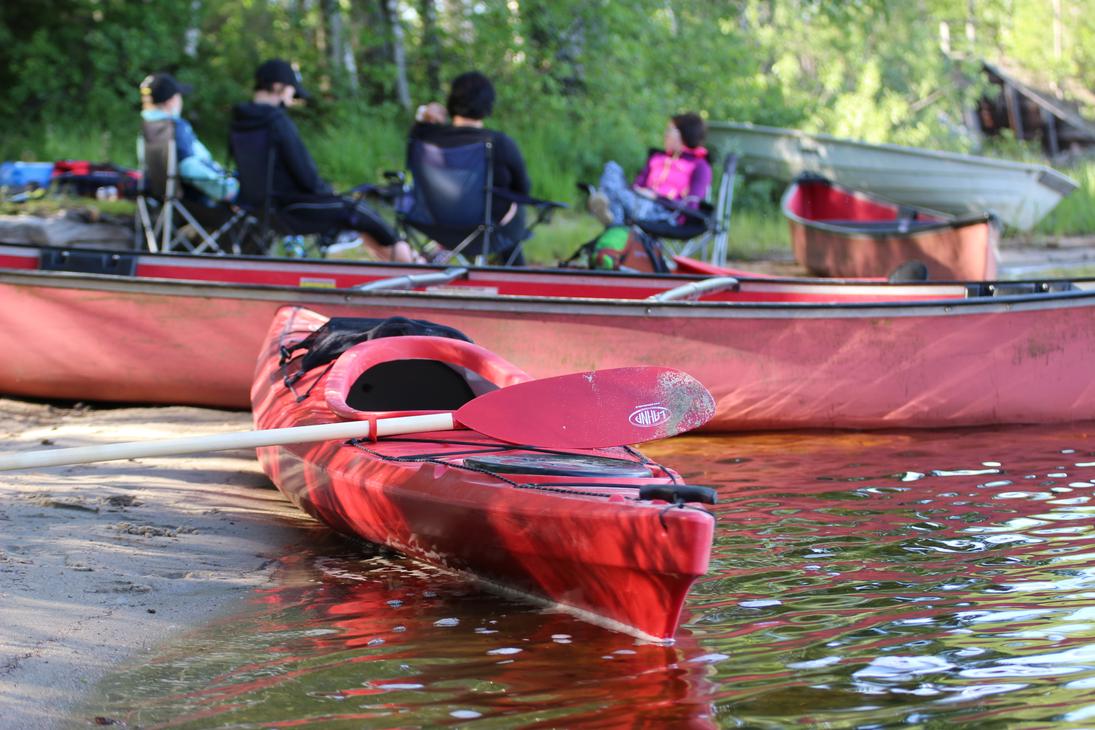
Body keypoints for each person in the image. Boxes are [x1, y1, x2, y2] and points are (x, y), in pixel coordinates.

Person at [229, 59, 419, 262]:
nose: (291, 98)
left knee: (359, 218)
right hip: (293, 208)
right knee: (357, 210)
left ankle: (405, 265)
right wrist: (329, 193)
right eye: (291, 91)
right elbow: (305, 175)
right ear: (277, 86)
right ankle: (416, 268)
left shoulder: (239, 122)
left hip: (259, 208)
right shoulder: (277, 122)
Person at [408, 71, 532, 265]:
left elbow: (417, 129)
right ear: (488, 106)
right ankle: (515, 276)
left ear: (450, 103)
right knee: (514, 207)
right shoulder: (500, 143)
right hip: (486, 232)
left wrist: (425, 114)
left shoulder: (426, 138)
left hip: (435, 226)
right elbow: (523, 189)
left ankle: (433, 256)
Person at [587, 113, 712, 228]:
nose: (665, 134)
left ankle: (611, 215)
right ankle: (611, 210)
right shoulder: (657, 158)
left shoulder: (700, 166)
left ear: (684, 134)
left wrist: (656, 197)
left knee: (617, 196)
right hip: (638, 200)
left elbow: (692, 206)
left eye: (669, 130)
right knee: (611, 168)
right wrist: (638, 191)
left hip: (664, 212)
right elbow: (637, 184)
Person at [139, 72, 239, 204]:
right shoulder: (176, 128)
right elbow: (189, 167)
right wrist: (226, 189)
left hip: (160, 196)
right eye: (179, 96)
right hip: (193, 199)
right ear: (171, 101)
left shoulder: (148, 126)